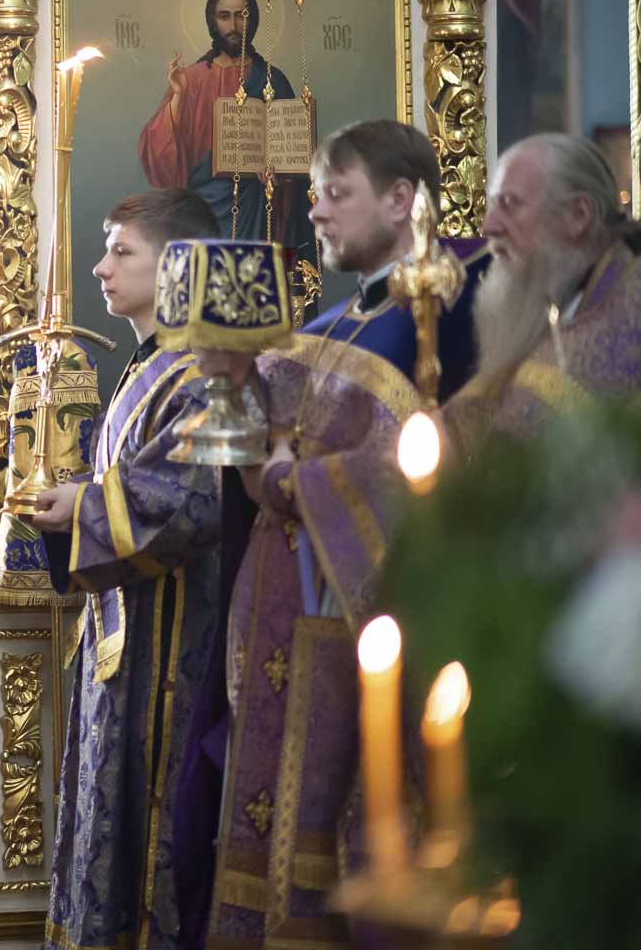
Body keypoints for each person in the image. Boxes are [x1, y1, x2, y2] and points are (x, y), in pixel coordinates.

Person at [199, 120, 483, 946]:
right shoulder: (330, 323)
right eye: (316, 194)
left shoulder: (447, 308)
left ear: (401, 199)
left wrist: (294, 479)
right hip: (293, 619)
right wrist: (238, 394)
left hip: (379, 621)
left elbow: (428, 463)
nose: (316, 212)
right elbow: (250, 456)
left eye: (336, 193)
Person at [29, 189, 225, 950]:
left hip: (175, 640)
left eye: (122, 252)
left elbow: (190, 501)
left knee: (152, 821)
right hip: (124, 634)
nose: (102, 267)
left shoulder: (202, 370)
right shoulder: (150, 365)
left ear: (177, 266)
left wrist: (78, 507)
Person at [442, 132, 641, 451]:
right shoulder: (560, 293)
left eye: (509, 204)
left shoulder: (629, 306)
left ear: (578, 215)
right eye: (493, 205)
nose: (489, 226)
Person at [138, 0, 313, 261]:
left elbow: (295, 156)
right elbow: (157, 152)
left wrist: (278, 175)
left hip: (257, 206)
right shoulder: (191, 79)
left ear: (252, 19)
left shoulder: (273, 80)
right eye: (224, 16)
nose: (233, 25)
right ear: (212, 22)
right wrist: (178, 97)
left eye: (241, 15)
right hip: (203, 207)